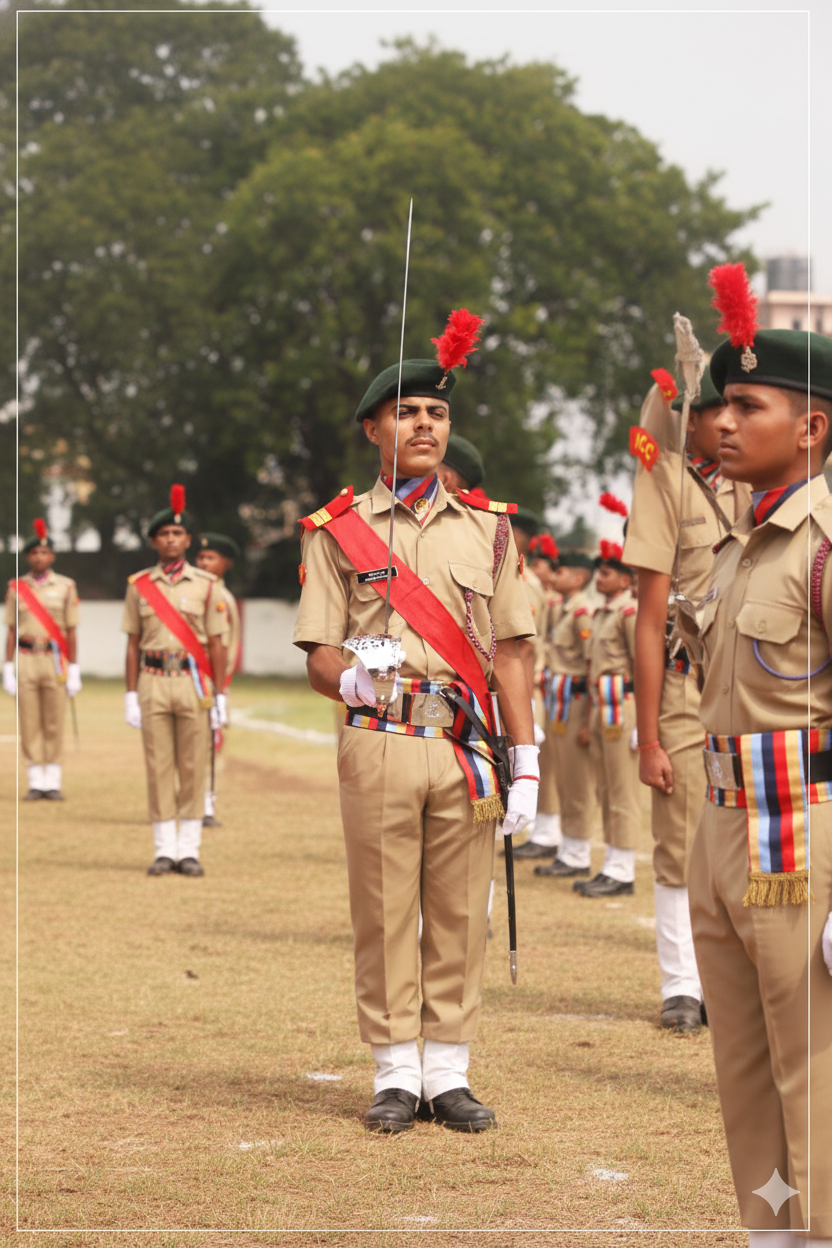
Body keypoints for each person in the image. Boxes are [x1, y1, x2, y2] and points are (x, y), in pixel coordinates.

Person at [292, 317, 537, 1134]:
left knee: (464, 909)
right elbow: (320, 652)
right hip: (381, 738)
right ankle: (396, 1070)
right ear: (374, 429)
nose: (424, 424)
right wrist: (354, 677)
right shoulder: (337, 533)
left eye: (435, 413)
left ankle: (450, 1072)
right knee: (386, 908)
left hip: (467, 748)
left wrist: (527, 758)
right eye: (405, 412)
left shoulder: (492, 529)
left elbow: (512, 655)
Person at [686, 265, 832, 1243]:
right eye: (719, 405)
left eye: (747, 404)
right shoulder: (741, 547)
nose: (722, 423)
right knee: (743, 1063)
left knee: (813, 1064)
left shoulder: (822, 541)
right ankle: (770, 1230)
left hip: (807, 839)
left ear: (812, 426)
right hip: (724, 828)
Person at [624, 367, 750, 1032]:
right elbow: (649, 618)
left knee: (746, 832)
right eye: (717, 411)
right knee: (679, 836)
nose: (730, 422)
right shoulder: (665, 483)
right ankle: (681, 983)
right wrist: (648, 738)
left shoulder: (756, 482)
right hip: (681, 683)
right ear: (689, 421)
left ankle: (731, 978)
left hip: (748, 682)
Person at [122, 486, 227, 877]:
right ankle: (165, 848)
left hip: (194, 684)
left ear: (186, 540)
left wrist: (220, 694)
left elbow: (216, 644)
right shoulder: (138, 586)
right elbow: (132, 644)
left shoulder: (206, 585)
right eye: (163, 534)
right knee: (158, 765)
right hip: (152, 680)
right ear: (154, 541)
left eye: (177, 534)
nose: (171, 539)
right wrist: (130, 694)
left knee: (193, 765)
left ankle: (190, 849)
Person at [574, 530, 640, 898]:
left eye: (606, 574)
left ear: (626, 580)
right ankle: (612, 862)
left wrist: (644, 723)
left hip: (622, 704)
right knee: (604, 786)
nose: (598, 578)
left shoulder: (629, 612)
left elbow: (641, 665)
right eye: (598, 573)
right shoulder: (602, 613)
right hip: (601, 705)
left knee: (622, 789)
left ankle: (623, 868)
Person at [4, 519, 81, 800]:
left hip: (55, 660)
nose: (40, 557)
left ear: (52, 557)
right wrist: (8, 666)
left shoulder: (66, 586)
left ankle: (53, 780)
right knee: (29, 721)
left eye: (44, 553)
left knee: (53, 720)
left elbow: (71, 630)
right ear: (28, 557)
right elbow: (11, 630)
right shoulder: (16, 587)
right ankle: (36, 779)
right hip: (26, 658)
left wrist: (74, 667)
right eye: (34, 553)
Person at [534, 551, 599, 879]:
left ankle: (577, 852)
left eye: (562, 572)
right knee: (560, 774)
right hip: (558, 702)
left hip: (575, 703)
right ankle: (567, 846)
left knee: (575, 781)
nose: (554, 576)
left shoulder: (583, 612)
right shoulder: (563, 608)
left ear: (578, 578)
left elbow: (591, 665)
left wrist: (588, 720)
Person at [509, 508, 562, 859]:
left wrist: (524, 705)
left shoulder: (522, 582)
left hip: (522, 691)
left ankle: (542, 830)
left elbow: (523, 648)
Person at [195, 533, 241, 828]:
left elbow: (228, 645)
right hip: (187, 676)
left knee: (212, 744)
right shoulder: (192, 592)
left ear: (226, 563)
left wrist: (220, 686)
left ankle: (206, 803)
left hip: (210, 681)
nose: (203, 563)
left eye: (211, 558)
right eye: (200, 558)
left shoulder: (222, 599)